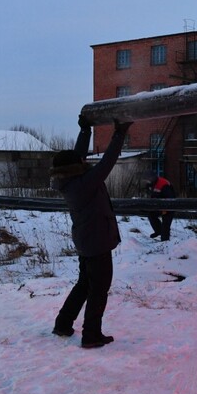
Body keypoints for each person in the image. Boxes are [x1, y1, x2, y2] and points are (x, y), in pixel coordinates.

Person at [50, 116, 132, 348]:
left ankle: (63, 323)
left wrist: (85, 131)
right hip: (97, 242)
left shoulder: (69, 179)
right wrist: (119, 134)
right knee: (99, 289)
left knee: (85, 284)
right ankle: (91, 334)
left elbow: (77, 157)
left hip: (87, 240)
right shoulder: (83, 183)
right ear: (73, 168)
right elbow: (107, 162)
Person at [145, 173, 176, 241]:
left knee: (166, 224)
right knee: (151, 215)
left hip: (170, 206)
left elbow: (170, 198)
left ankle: (165, 242)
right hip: (159, 205)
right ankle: (158, 231)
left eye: (148, 180)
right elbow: (151, 195)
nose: (147, 182)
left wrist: (165, 209)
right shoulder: (150, 184)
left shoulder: (163, 184)